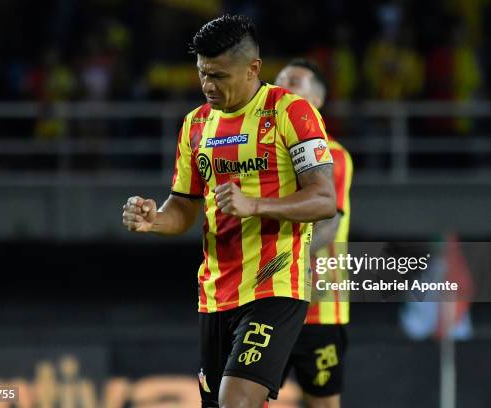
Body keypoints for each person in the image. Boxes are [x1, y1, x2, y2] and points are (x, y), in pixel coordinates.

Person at [122, 15, 336, 408]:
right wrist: (154, 219)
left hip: (276, 286)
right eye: (203, 73)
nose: (208, 85)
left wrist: (253, 205)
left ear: (253, 68)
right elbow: (183, 208)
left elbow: (324, 200)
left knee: (235, 401)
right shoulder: (195, 125)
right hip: (215, 294)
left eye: (219, 75)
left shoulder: (292, 113)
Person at [275, 59, 353, 408]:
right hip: (267, 303)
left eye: (292, 82)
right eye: (277, 81)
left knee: (321, 403)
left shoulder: (332, 156)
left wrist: (280, 264)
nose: (280, 87)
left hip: (318, 306)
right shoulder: (262, 156)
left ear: (315, 101)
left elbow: (329, 221)